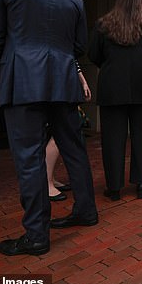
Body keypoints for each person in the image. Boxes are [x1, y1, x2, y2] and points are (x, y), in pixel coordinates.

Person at [0, 0, 98, 256]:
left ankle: (36, 236)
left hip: (23, 82)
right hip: (63, 82)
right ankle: (86, 211)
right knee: (74, 148)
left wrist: (17, 59)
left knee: (29, 157)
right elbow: (78, 46)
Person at [88, 0, 142, 201]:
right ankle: (141, 185)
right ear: (139, 5)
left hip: (112, 91)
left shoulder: (103, 26)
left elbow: (93, 55)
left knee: (112, 140)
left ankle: (115, 187)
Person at [47, 64, 92, 202]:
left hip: (60, 81)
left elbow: (73, 60)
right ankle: (47, 182)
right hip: (54, 83)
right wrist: (83, 81)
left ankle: (50, 179)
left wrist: (83, 81)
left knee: (55, 134)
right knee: (57, 135)